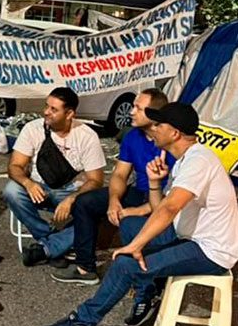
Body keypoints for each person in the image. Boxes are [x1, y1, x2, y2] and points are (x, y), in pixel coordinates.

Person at [43, 103, 238, 326]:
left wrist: (135, 246)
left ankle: (84, 323)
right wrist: (155, 183)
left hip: (210, 251)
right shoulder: (187, 159)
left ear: (174, 133)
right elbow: (160, 207)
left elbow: (169, 208)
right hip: (187, 236)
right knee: (130, 225)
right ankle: (146, 290)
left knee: (126, 263)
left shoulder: (199, 162)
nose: (153, 129)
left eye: (158, 125)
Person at [51, 88, 173, 285]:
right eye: (133, 106)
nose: (131, 112)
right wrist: (114, 201)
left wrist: (137, 210)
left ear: (154, 115)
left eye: (138, 108)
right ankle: (85, 268)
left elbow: (175, 198)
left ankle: (143, 279)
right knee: (85, 202)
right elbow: (119, 174)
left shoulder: (171, 141)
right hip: (140, 191)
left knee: (130, 222)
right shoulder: (133, 136)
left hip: (164, 198)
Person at [3, 87, 106, 267]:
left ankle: (46, 249)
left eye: (53, 109)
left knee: (97, 213)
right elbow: (14, 166)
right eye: (46, 106)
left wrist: (72, 199)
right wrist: (28, 183)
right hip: (39, 188)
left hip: (71, 192)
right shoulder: (32, 129)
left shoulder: (87, 136)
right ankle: (51, 240)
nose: (46, 112)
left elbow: (96, 180)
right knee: (11, 190)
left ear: (69, 113)